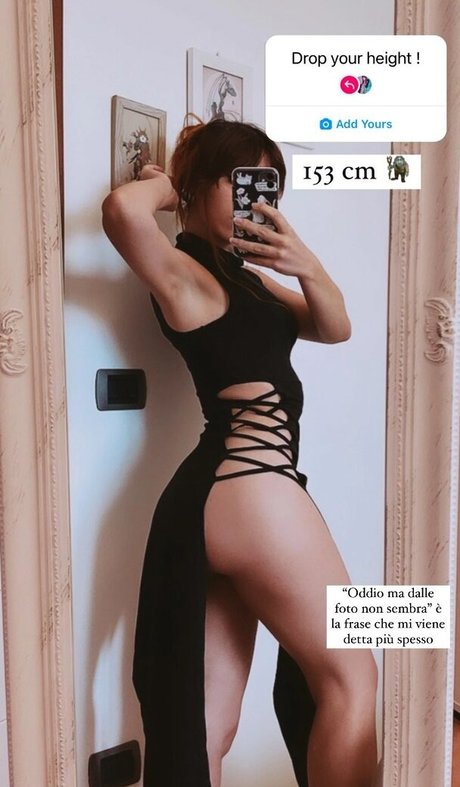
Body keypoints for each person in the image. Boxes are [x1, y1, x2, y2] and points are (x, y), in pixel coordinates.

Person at [101, 118, 378, 787]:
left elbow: (335, 325)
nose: (259, 197)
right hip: (253, 482)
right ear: (202, 183)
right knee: (352, 676)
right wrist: (171, 184)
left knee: (208, 727)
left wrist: (302, 261)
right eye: (242, 179)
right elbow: (121, 212)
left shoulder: (245, 279)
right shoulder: (185, 273)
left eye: (270, 185)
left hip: (224, 496)